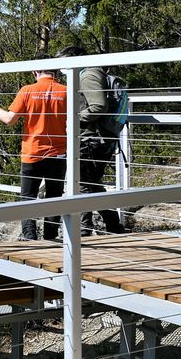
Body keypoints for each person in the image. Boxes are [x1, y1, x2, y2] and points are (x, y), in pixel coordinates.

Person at [0, 63, 68, 241]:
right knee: (54, 197)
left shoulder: (27, 90)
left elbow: (9, 119)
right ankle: (51, 239)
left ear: (35, 72)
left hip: (33, 152)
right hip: (58, 153)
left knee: (28, 197)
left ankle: (30, 239)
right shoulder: (66, 91)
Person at [59, 45, 125, 236]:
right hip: (96, 138)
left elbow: (98, 106)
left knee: (84, 185)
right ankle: (113, 226)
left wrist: (73, 118)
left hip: (91, 140)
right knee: (92, 184)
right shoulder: (90, 73)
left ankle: (84, 232)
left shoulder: (88, 75)